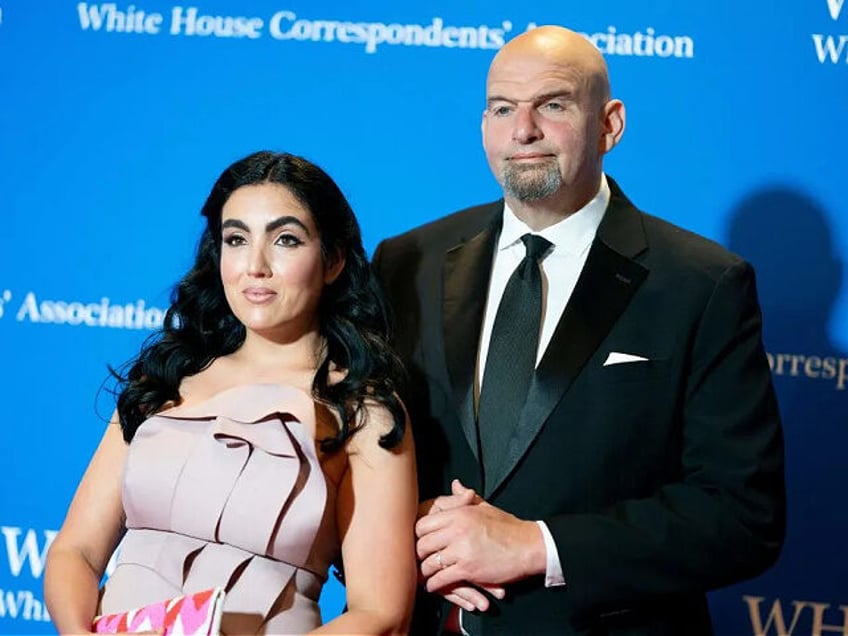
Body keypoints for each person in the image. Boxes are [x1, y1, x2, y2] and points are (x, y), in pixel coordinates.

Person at [371, 25, 785, 635]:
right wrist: (413, 528)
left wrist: (539, 545)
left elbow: (744, 514)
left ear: (609, 125)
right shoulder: (408, 261)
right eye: (503, 108)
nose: (523, 131)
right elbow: (360, 453)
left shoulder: (701, 285)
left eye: (553, 105)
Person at [44, 150, 418, 635]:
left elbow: (381, 613)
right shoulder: (163, 379)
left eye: (285, 239)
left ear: (333, 260)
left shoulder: (363, 412)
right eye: (236, 239)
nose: (254, 266)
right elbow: (75, 551)